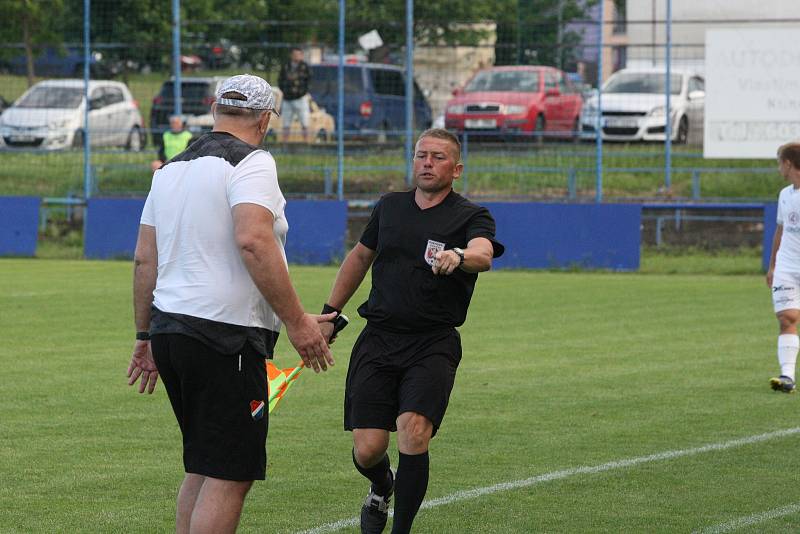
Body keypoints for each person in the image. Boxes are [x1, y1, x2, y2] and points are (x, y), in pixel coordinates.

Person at [127, 74, 336, 533]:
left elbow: (145, 259)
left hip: (170, 333)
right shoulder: (253, 162)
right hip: (224, 338)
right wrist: (298, 322)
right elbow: (254, 241)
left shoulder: (172, 169)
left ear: (215, 109)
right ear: (265, 119)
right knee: (230, 473)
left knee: (203, 465)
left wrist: (144, 337)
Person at [319, 128, 505, 533]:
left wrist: (458, 254)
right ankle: (382, 486)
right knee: (368, 450)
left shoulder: (472, 215)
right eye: (421, 155)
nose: (426, 163)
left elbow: (484, 254)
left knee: (413, 432)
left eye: (438, 157)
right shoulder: (389, 207)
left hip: (432, 343)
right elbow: (360, 256)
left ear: (455, 169)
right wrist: (330, 313)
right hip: (379, 338)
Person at [767, 141, 800, 393]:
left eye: (779, 162)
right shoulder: (785, 194)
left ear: (788, 163)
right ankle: (787, 376)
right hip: (787, 266)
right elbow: (780, 230)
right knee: (787, 317)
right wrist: (773, 265)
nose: (778, 167)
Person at [277, 47, 311, 143]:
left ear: (302, 55)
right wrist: (285, 90)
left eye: (298, 54)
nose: (296, 56)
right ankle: (284, 143)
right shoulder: (286, 66)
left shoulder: (305, 67)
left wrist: (302, 92)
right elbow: (280, 80)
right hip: (287, 98)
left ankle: (306, 143)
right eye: (294, 54)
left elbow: (309, 82)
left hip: (300, 98)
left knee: (305, 122)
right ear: (291, 55)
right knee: (286, 123)